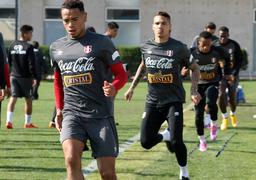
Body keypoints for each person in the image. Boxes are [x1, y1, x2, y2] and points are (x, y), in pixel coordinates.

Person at [50, 0, 127, 179]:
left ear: (85, 17)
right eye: (66, 20)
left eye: (75, 19)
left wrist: (114, 88)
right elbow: (58, 81)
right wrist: (59, 109)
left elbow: (121, 75)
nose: (70, 24)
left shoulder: (102, 43)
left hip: (100, 115)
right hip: (72, 114)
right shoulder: (56, 48)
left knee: (107, 173)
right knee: (71, 159)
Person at [124, 11, 201, 180]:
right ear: (153, 26)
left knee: (176, 142)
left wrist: (194, 90)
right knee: (145, 142)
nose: (160, 26)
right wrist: (132, 88)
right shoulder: (146, 47)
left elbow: (195, 68)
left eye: (164, 23)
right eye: (157, 23)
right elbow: (143, 67)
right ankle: (164, 135)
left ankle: (184, 172)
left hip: (173, 101)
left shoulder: (179, 48)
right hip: (152, 102)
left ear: (170, 27)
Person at [190, 31, 229, 151]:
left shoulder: (218, 51)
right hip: (197, 86)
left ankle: (214, 124)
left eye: (208, 44)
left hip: (213, 83)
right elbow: (183, 65)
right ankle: (202, 140)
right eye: (203, 45)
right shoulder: (191, 53)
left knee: (211, 102)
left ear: (211, 43)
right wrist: (183, 70)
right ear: (198, 43)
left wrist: (226, 71)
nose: (206, 47)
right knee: (198, 115)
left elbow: (227, 60)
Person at [6, 25, 38, 129]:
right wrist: (34, 77)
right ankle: (27, 123)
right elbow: (31, 63)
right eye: (30, 33)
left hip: (14, 76)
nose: (31, 35)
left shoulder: (12, 45)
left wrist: (11, 73)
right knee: (28, 99)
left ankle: (9, 121)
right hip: (26, 78)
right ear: (25, 33)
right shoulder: (29, 47)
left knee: (13, 98)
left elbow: (9, 62)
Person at [218, 26, 243, 131]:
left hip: (232, 74)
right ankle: (224, 117)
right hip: (220, 75)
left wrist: (234, 74)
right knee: (220, 95)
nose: (222, 38)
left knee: (232, 97)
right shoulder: (215, 45)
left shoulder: (234, 45)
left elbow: (240, 61)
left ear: (228, 35)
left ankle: (233, 114)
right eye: (221, 36)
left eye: (224, 36)